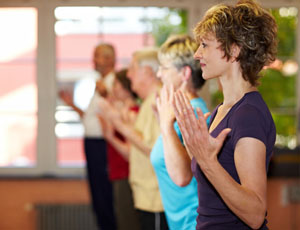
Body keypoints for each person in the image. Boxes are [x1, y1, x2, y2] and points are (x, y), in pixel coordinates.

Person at [172, 1, 277, 229]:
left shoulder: (249, 116)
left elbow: (256, 213)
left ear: (234, 50)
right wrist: (193, 145)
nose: (197, 54)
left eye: (205, 45)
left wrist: (208, 162)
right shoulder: (222, 110)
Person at [98, 48, 169, 230]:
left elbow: (156, 150)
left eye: (132, 69)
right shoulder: (148, 102)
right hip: (146, 195)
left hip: (156, 198)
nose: (128, 75)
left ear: (146, 72)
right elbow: (137, 150)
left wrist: (118, 123)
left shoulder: (158, 100)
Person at [150, 35, 209, 230]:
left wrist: (166, 124)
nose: (159, 74)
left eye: (164, 68)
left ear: (184, 73)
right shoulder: (175, 113)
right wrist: (163, 120)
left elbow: (183, 176)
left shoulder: (193, 114)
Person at [59, 43, 117, 230]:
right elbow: (90, 119)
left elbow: (119, 110)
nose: (94, 60)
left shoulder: (113, 84)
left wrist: (107, 94)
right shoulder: (100, 83)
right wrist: (71, 105)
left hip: (103, 144)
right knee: (97, 195)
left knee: (104, 195)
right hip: (93, 143)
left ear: (110, 59)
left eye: (98, 56)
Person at [98, 68, 140, 230]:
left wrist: (110, 136)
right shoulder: (123, 111)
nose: (113, 88)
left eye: (115, 84)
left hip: (127, 174)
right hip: (120, 172)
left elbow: (129, 152)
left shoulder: (132, 113)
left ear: (125, 87)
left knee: (128, 222)